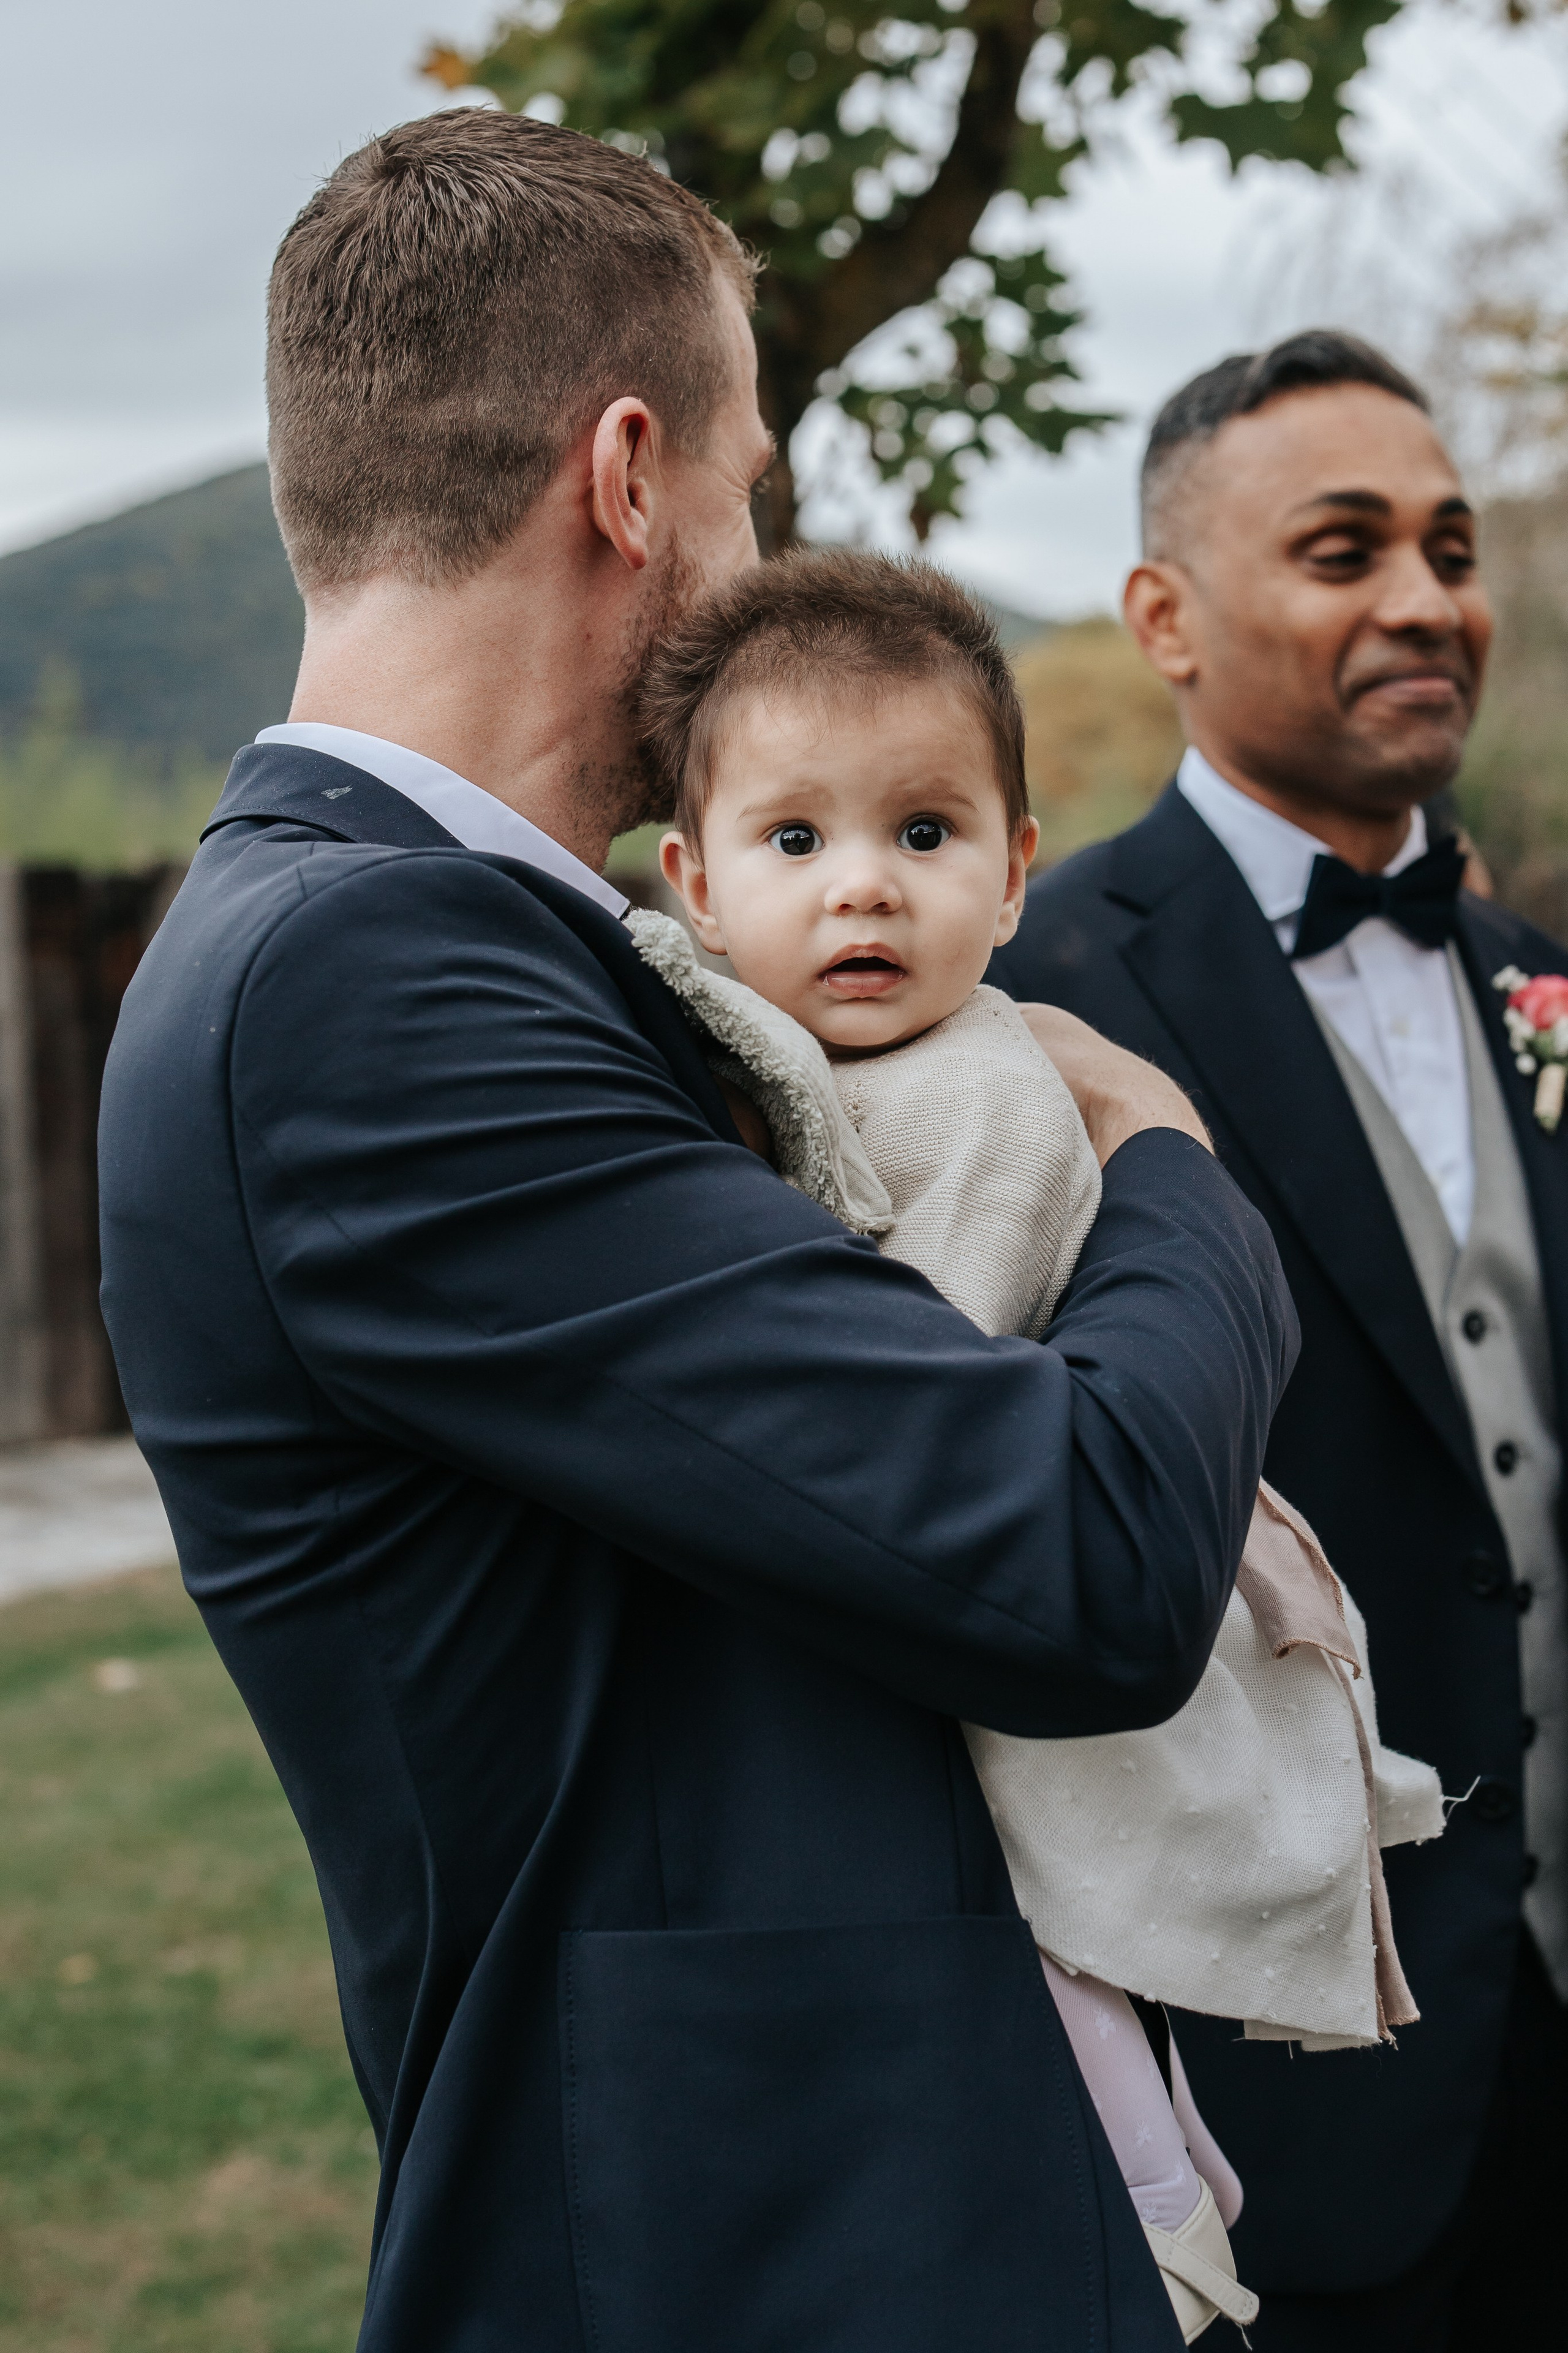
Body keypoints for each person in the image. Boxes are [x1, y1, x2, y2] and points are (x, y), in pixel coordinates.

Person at [96, 113, 1295, 2352]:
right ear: (632, 478)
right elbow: (1078, 1547)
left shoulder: (490, 955)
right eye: (754, 486)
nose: (763, 557)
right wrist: (1172, 1164)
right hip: (737, 2256)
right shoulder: (369, 985)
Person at [633, 542, 1446, 2344]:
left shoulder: (987, 1088)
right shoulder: (777, 1068)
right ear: (691, 882)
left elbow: (941, 1397)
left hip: (1041, 1595)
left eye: (924, 836)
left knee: (1063, 1914)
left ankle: (1160, 2197)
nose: (864, 892)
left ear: (1015, 873)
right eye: (796, 843)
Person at [992, 330, 1568, 2351]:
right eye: (1344, 551)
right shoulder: (1034, 996)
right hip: (1285, 2078)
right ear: (1163, 614)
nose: (1427, 600)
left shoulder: (1535, 977)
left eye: (1450, 546)